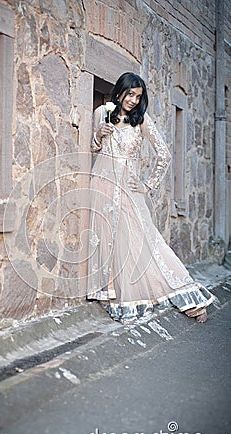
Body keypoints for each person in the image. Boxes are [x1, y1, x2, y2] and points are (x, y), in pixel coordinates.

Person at [87, 72, 215, 325]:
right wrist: (98, 136)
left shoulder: (141, 120)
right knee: (106, 239)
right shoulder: (102, 112)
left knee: (144, 239)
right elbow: (94, 149)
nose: (134, 100)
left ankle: (186, 295)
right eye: (130, 93)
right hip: (101, 184)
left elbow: (164, 155)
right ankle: (111, 293)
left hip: (127, 186)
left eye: (139, 96)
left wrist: (147, 186)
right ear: (120, 90)